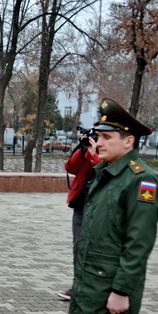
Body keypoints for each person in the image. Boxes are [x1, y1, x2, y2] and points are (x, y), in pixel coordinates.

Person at [68, 98, 158, 314]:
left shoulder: (140, 180)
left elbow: (138, 244)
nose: (99, 142)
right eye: (99, 136)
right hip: (90, 287)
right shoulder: (106, 173)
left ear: (129, 141)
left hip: (112, 293)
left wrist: (122, 291)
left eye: (107, 137)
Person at [58, 127, 101, 300]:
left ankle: (93, 288)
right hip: (81, 204)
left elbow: (105, 173)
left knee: (95, 249)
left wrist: (94, 153)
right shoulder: (86, 151)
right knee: (78, 246)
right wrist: (81, 148)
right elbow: (70, 167)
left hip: (98, 206)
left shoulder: (108, 155)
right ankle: (78, 286)